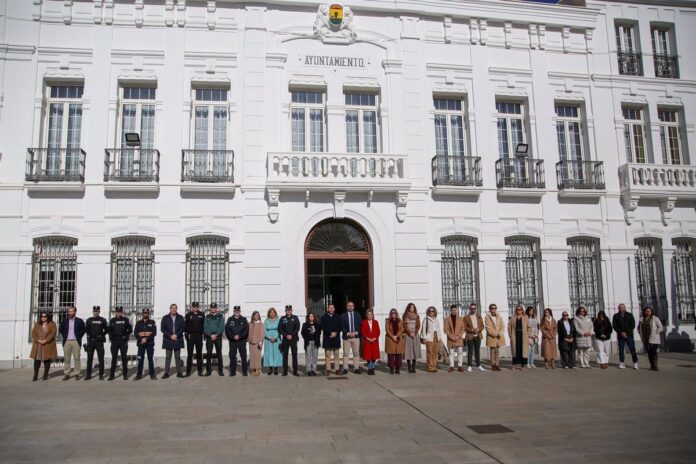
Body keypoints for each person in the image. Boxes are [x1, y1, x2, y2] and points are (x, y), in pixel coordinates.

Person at [59, 305, 86, 380]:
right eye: (69, 311)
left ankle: (77, 373)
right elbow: (61, 329)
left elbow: (83, 330)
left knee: (77, 358)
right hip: (67, 341)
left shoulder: (79, 321)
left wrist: (79, 336)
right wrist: (65, 335)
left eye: (71, 311)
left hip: (76, 341)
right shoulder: (64, 321)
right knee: (67, 358)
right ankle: (67, 373)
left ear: (75, 312)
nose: (69, 313)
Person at [30, 311, 57, 381]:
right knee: (37, 360)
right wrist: (38, 340)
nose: (43, 318)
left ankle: (45, 375)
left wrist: (46, 340)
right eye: (42, 316)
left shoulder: (52, 324)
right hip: (38, 344)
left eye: (45, 316)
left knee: (47, 360)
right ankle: (35, 375)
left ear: (48, 317)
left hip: (47, 344)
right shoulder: (37, 324)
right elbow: (33, 333)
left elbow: (53, 333)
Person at [161, 303, 185, 379]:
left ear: (176, 309)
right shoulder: (165, 318)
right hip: (168, 339)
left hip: (178, 339)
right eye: (172, 308)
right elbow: (163, 329)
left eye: (175, 308)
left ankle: (179, 372)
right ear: (170, 309)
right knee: (168, 357)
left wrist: (176, 335)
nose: (173, 309)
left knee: (177, 356)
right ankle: (166, 373)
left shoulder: (180, 318)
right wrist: (170, 336)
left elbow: (183, 328)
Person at [108, 306, 132, 380]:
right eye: (118, 312)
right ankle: (112, 375)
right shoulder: (112, 320)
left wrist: (126, 335)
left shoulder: (126, 320)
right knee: (114, 358)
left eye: (120, 312)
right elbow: (109, 330)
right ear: (115, 312)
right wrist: (111, 337)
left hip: (123, 340)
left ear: (122, 312)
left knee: (124, 357)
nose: (119, 313)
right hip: (115, 340)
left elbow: (130, 329)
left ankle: (125, 375)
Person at [84, 306, 108, 380]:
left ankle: (101, 375)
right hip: (91, 342)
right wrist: (88, 336)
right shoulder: (89, 320)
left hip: (99, 342)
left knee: (101, 359)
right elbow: (86, 329)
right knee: (89, 359)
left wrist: (102, 335)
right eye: (94, 311)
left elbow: (107, 329)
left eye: (97, 311)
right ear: (92, 312)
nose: (96, 313)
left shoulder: (102, 320)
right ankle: (88, 375)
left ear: (99, 312)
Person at [612, 303, 639, 369]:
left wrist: (626, 333)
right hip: (620, 336)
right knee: (621, 350)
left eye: (622, 307)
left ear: (624, 308)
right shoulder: (615, 316)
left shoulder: (629, 315)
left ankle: (635, 363)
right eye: (620, 308)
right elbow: (615, 326)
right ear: (618, 308)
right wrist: (621, 332)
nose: (621, 309)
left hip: (629, 335)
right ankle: (622, 363)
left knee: (632, 349)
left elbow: (632, 324)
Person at [225, 305, 249, 376]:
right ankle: (233, 372)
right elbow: (227, 330)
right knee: (232, 356)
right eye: (235, 311)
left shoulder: (244, 319)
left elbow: (246, 330)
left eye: (238, 311)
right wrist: (233, 337)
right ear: (233, 311)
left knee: (243, 356)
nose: (237, 312)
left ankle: (244, 372)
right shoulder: (230, 319)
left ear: (240, 311)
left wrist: (240, 336)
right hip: (232, 341)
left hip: (241, 341)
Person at [134, 308, 157, 380]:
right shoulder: (138, 323)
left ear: (148, 314)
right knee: (140, 359)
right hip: (141, 344)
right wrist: (141, 339)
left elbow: (154, 333)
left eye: (146, 313)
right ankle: (139, 374)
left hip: (149, 343)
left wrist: (146, 339)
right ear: (142, 314)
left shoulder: (152, 322)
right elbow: (135, 333)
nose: (145, 314)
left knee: (150, 359)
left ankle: (152, 374)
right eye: (144, 313)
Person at [639, 306, 664, 371]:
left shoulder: (655, 318)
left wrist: (656, 331)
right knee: (649, 352)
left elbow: (661, 327)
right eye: (646, 311)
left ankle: (655, 366)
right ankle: (652, 365)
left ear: (651, 312)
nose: (648, 312)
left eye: (649, 311)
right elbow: (639, 327)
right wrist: (639, 332)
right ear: (644, 312)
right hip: (645, 338)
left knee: (653, 352)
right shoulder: (642, 319)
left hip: (653, 338)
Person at [278, 305, 301, 376]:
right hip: (285, 340)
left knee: (294, 355)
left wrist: (292, 335)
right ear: (285, 311)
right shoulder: (282, 318)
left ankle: (295, 371)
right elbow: (280, 329)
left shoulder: (295, 318)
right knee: (285, 356)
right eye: (287, 310)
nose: (288, 311)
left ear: (291, 310)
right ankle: (285, 371)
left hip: (293, 339)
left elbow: (297, 328)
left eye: (289, 310)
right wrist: (286, 335)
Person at [340, 301, 362, 374]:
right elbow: (342, 326)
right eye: (349, 306)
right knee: (346, 353)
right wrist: (348, 333)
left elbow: (360, 325)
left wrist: (355, 332)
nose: (350, 307)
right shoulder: (343, 315)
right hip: (347, 338)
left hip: (356, 337)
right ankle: (345, 368)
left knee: (356, 353)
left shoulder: (358, 314)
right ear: (347, 307)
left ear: (354, 306)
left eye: (352, 305)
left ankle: (356, 368)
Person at [184, 302, 205, 377]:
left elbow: (203, 326)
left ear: (198, 307)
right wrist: (187, 336)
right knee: (190, 355)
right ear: (192, 307)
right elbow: (185, 326)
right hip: (190, 336)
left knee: (199, 354)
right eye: (194, 307)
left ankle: (200, 371)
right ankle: (188, 372)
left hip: (199, 336)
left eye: (197, 306)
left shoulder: (202, 315)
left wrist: (203, 336)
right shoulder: (188, 315)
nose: (195, 308)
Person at [204, 303, 225, 376]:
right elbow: (205, 327)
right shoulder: (207, 316)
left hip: (218, 337)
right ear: (210, 309)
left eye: (214, 308)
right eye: (212, 308)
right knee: (209, 354)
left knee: (219, 354)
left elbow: (222, 327)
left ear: (216, 308)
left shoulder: (220, 316)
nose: (213, 309)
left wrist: (216, 334)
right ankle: (208, 371)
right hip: (209, 337)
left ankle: (221, 371)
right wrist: (210, 335)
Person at [320, 303, 342, 375]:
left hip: (336, 338)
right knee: (328, 356)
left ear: (334, 309)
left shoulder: (338, 317)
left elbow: (340, 326)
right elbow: (322, 327)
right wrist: (330, 333)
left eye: (332, 308)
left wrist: (335, 333)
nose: (331, 309)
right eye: (330, 308)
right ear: (327, 309)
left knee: (336, 355)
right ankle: (328, 369)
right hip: (327, 338)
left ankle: (337, 369)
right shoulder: (324, 317)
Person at [508, 305, 531, 370]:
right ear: (516, 310)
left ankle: (522, 366)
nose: (519, 311)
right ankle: (514, 365)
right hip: (515, 336)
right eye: (517, 309)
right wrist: (510, 334)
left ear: (522, 310)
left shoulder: (525, 317)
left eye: (520, 309)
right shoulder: (513, 318)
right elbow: (509, 327)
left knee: (523, 351)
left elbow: (529, 327)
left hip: (523, 336)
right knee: (515, 351)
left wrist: (528, 335)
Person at [463, 303, 485, 371]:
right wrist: (472, 330)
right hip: (470, 336)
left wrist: (479, 329)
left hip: (478, 336)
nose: (473, 310)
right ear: (469, 309)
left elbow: (482, 326)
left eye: (474, 308)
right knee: (470, 351)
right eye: (471, 308)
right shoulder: (466, 317)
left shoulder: (479, 316)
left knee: (477, 351)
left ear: (476, 309)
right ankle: (469, 365)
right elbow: (465, 327)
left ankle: (478, 365)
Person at [444, 304, 465, 372]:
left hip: (459, 338)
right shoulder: (447, 319)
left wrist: (459, 336)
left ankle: (460, 366)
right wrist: (452, 336)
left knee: (460, 352)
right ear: (450, 310)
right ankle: (451, 366)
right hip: (451, 339)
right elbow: (446, 329)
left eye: (455, 310)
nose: (454, 311)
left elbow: (463, 328)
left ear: (457, 310)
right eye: (452, 310)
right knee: (451, 353)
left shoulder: (461, 319)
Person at [485, 304, 505, 371]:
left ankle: (497, 365)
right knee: (492, 351)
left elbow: (502, 326)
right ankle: (493, 365)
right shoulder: (487, 316)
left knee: (497, 351)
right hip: (492, 336)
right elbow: (488, 327)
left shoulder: (499, 316)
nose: (493, 309)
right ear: (490, 309)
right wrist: (495, 334)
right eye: (492, 308)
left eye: (494, 308)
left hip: (498, 336)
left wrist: (500, 333)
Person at [421, 306, 441, 373]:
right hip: (429, 337)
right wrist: (424, 338)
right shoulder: (426, 319)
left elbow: (438, 329)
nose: (431, 312)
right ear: (428, 312)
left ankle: (434, 366)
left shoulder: (436, 319)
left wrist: (440, 337)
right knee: (429, 352)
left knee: (435, 352)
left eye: (432, 311)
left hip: (436, 336)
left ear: (434, 312)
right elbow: (423, 329)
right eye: (430, 311)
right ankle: (430, 367)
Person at [402, 303, 421, 373]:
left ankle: (413, 367)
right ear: (408, 308)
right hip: (408, 335)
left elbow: (418, 325)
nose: (411, 309)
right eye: (410, 308)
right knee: (408, 350)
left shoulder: (417, 316)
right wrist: (409, 333)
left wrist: (414, 332)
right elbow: (404, 325)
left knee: (414, 350)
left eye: (413, 308)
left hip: (415, 335)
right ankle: (409, 367)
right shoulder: (405, 315)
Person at [385, 308, 405, 374]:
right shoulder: (388, 321)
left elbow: (402, 329)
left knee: (398, 355)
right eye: (392, 313)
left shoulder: (400, 321)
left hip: (398, 339)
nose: (393, 314)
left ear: (396, 314)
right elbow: (387, 330)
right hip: (390, 339)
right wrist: (393, 337)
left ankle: (397, 368)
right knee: (390, 355)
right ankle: (391, 369)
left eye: (394, 313)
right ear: (390, 314)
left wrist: (397, 336)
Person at [361, 309, 381, 375]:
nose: (370, 316)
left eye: (371, 314)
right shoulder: (364, 322)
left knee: (374, 356)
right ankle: (369, 368)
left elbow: (378, 331)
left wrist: (375, 338)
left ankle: (373, 368)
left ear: (372, 315)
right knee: (368, 356)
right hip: (367, 341)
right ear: (367, 315)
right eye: (368, 314)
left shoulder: (376, 322)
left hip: (374, 341)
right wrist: (367, 338)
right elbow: (363, 331)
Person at [301, 312, 321, 376]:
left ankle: (314, 370)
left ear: (314, 317)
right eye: (310, 316)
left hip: (315, 342)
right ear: (308, 317)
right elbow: (302, 333)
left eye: (312, 316)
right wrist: (306, 338)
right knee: (308, 357)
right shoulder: (305, 324)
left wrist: (316, 339)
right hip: (308, 342)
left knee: (315, 357)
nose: (311, 317)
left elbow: (319, 332)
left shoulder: (317, 324)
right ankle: (309, 370)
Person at [263, 307, 282, 375]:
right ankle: (270, 368)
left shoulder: (278, 320)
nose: (272, 313)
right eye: (271, 312)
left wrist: (275, 337)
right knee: (269, 353)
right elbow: (264, 330)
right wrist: (270, 337)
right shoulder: (266, 320)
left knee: (276, 353)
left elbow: (280, 329)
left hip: (277, 339)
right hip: (268, 340)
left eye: (273, 312)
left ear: (275, 313)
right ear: (269, 313)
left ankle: (276, 368)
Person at [248, 311, 265, 376]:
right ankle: (253, 369)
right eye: (255, 315)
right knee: (252, 356)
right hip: (251, 342)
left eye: (258, 315)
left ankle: (258, 369)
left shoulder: (261, 324)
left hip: (258, 342)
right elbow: (248, 332)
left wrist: (260, 341)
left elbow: (262, 333)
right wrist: (247, 339)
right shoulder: (250, 323)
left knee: (257, 356)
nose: (257, 316)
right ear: (253, 316)